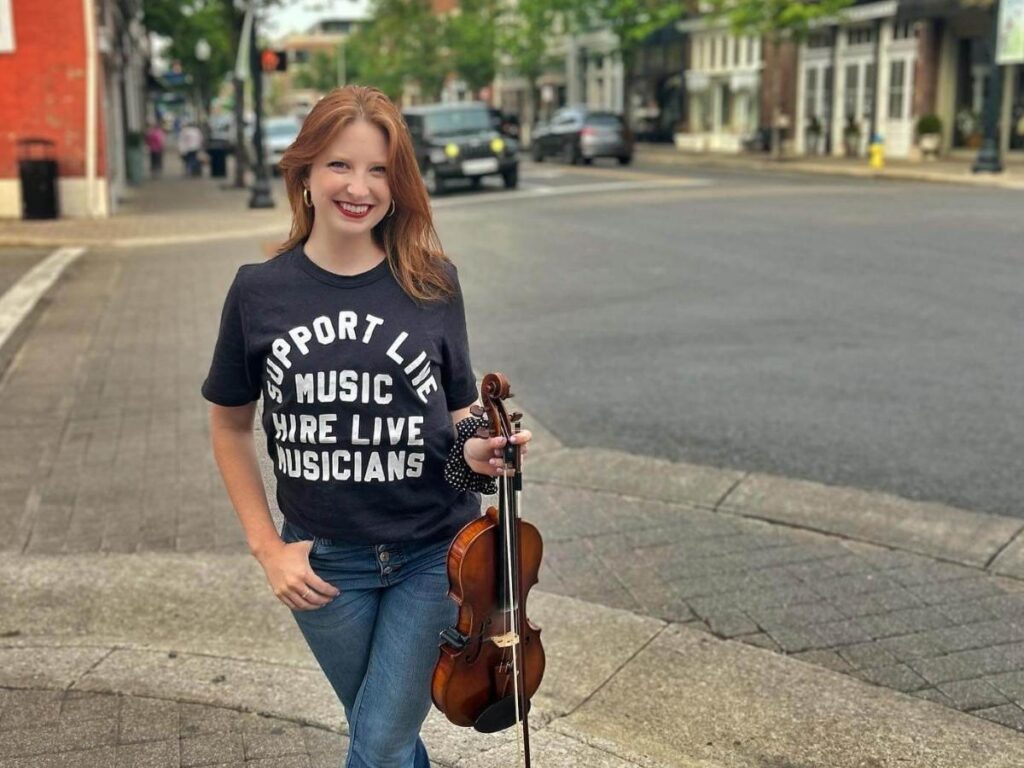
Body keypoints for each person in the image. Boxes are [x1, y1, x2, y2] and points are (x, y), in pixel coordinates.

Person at [202, 85, 532, 768]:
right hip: (324, 566)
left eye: (379, 170)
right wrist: (268, 548)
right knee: (383, 733)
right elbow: (231, 425)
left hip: (436, 558)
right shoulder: (258, 291)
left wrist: (485, 448)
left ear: (399, 182)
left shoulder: (433, 282)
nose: (359, 186)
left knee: (378, 742)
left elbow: (454, 420)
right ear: (304, 175)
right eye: (339, 166)